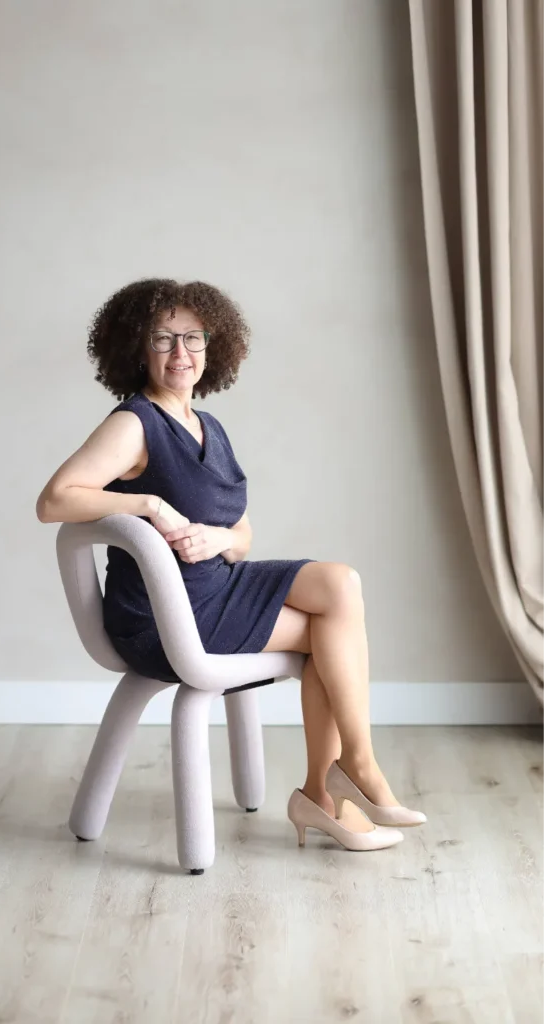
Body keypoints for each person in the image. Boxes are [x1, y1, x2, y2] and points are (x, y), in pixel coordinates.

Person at [37, 278, 426, 852]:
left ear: (212, 346)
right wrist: (148, 505)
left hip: (216, 588)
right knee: (329, 635)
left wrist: (218, 536)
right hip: (164, 615)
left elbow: (241, 535)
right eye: (163, 338)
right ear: (137, 348)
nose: (180, 352)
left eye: (193, 338)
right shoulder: (134, 424)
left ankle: (345, 774)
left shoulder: (209, 427)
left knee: (340, 584)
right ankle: (334, 788)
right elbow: (54, 501)